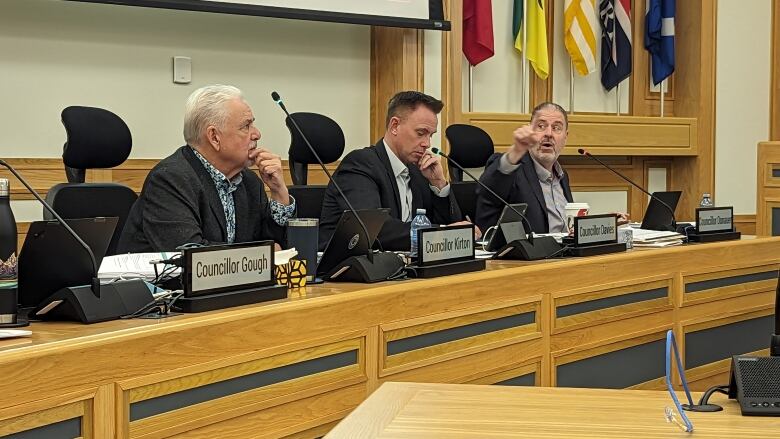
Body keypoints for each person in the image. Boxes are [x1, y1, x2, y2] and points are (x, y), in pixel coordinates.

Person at [118, 84, 295, 252]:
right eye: (246, 126)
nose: (257, 134)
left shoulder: (249, 182)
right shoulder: (170, 180)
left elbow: (279, 249)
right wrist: (261, 254)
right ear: (214, 137)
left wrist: (279, 193)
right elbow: (191, 257)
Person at [319, 91, 476, 251]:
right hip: (346, 271)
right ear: (394, 126)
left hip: (405, 270)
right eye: (421, 133)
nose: (427, 143)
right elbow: (375, 230)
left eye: (430, 135)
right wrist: (440, 234)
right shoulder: (360, 164)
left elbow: (453, 229)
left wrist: (439, 185)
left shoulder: (418, 171)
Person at [475, 102, 574, 234]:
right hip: (526, 253)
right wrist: (516, 151)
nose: (549, 133)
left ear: (565, 137)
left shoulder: (562, 175)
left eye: (556, 128)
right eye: (541, 126)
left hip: (566, 252)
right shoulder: (512, 168)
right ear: (530, 131)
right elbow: (487, 193)